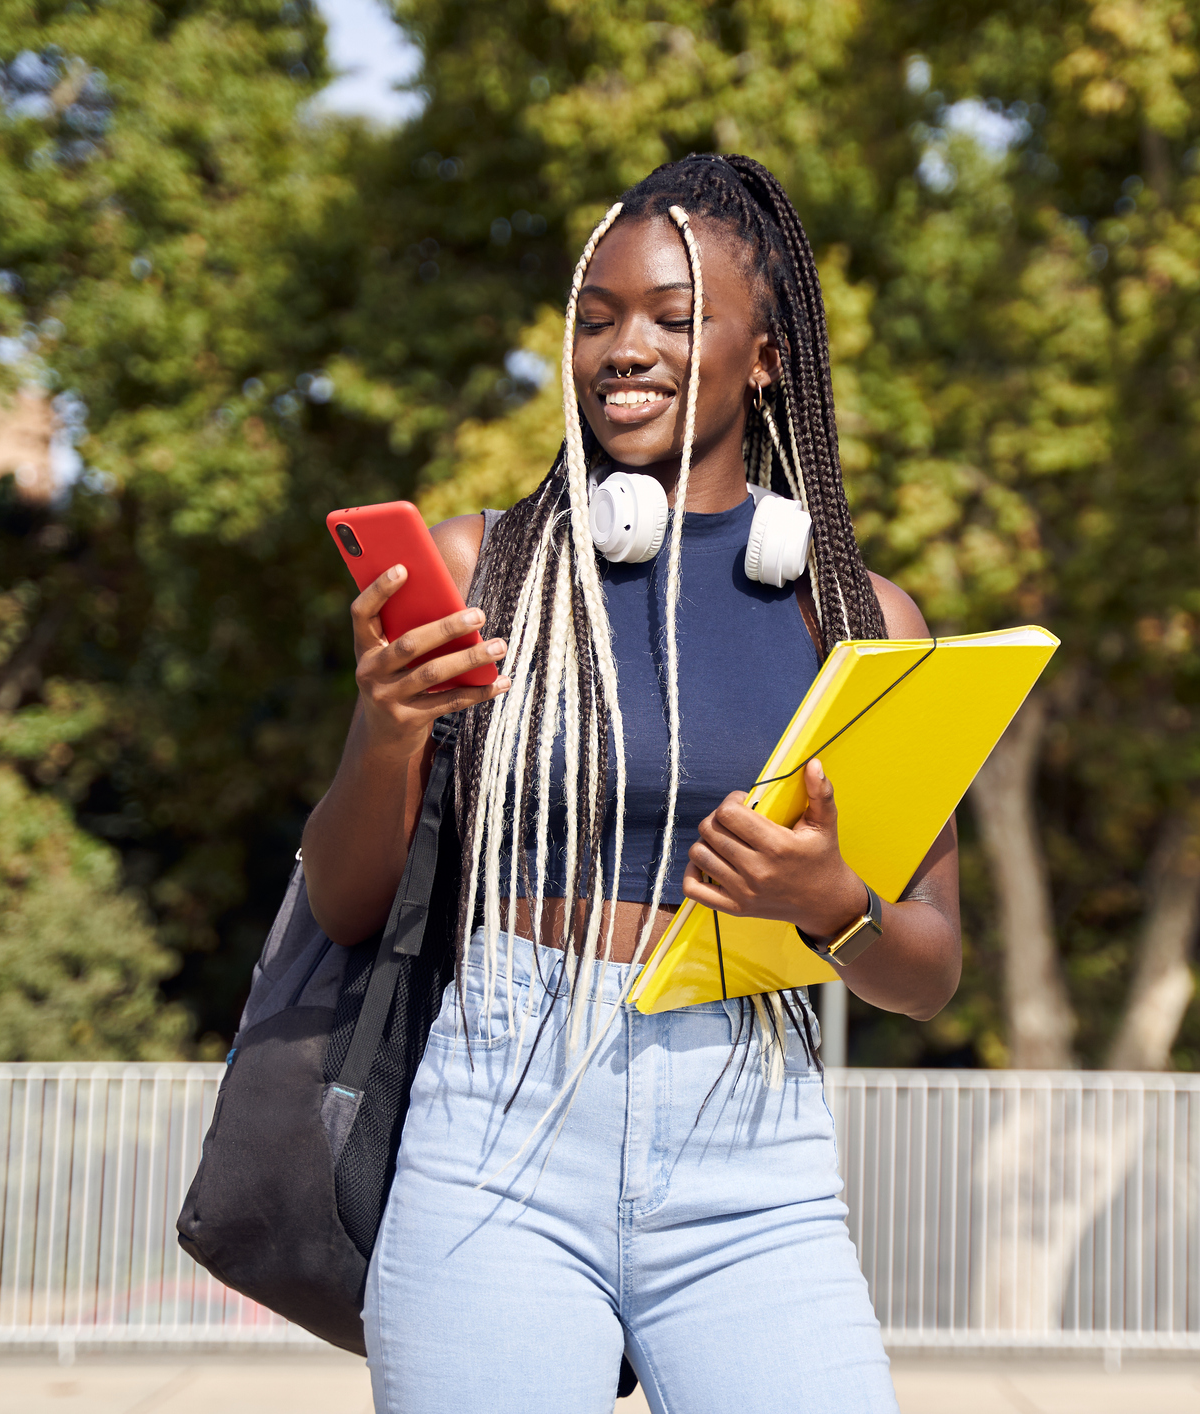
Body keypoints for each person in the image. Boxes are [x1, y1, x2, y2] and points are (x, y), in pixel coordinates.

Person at [300, 154, 960, 1414]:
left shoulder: (857, 616)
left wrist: (832, 901)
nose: (625, 347)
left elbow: (927, 971)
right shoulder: (485, 567)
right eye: (595, 316)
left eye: (675, 316)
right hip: (498, 1123)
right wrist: (385, 731)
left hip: (748, 1142)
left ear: (765, 355)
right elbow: (342, 904)